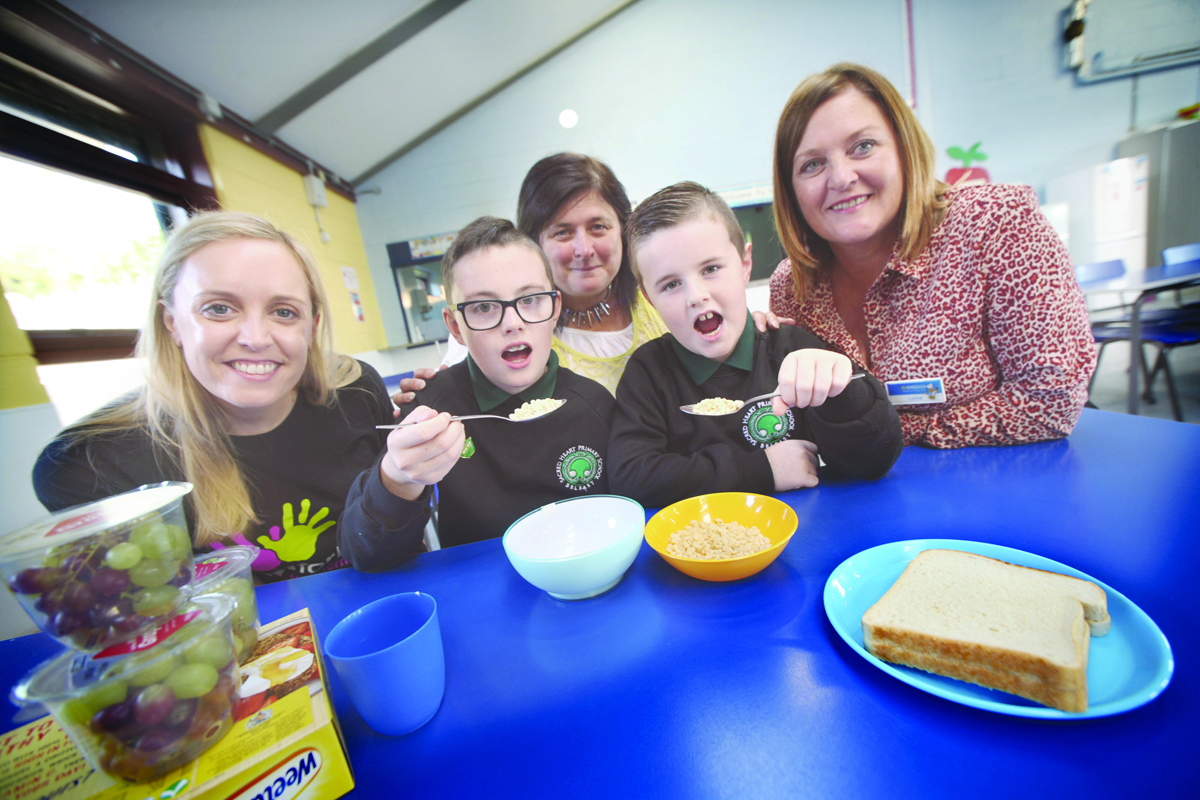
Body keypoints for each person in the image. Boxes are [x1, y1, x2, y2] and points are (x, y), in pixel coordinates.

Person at [33, 211, 394, 583]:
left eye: (284, 312)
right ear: (172, 322)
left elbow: (398, 533)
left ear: (312, 326)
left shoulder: (355, 391)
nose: (256, 338)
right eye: (219, 309)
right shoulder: (91, 463)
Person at [768, 63, 1096, 449]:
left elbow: (1051, 400)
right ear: (791, 191)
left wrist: (892, 433)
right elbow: (796, 422)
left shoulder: (995, 223)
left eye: (863, 146)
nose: (840, 178)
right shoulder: (792, 287)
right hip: (862, 499)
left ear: (904, 148)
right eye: (812, 164)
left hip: (1005, 489)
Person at [339, 217, 615, 572]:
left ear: (555, 308)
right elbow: (364, 554)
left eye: (530, 299)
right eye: (484, 307)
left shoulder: (595, 406)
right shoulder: (431, 411)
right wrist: (398, 478)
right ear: (455, 326)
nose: (512, 322)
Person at [608, 182, 902, 509]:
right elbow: (631, 475)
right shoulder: (647, 372)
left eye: (711, 269)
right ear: (649, 298)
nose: (696, 296)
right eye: (671, 284)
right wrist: (762, 469)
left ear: (745, 263)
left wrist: (842, 392)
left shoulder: (793, 350)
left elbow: (875, 461)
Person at [394, 153, 669, 402]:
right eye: (562, 232)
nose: (584, 250)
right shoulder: (493, 332)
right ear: (533, 241)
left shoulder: (662, 302)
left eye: (598, 227)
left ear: (622, 229)